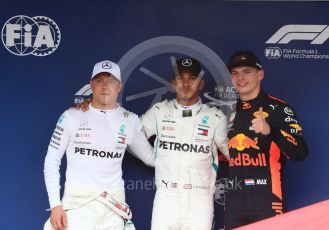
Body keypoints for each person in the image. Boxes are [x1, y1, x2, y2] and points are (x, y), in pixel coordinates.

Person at [43, 60, 155, 230]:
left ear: (119, 86)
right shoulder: (71, 116)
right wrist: (55, 204)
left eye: (111, 81)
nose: (105, 86)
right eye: (99, 80)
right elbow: (51, 160)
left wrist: (192, 160)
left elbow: (150, 157)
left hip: (112, 211)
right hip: (76, 210)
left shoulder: (129, 120)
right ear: (91, 85)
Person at [140, 57, 229, 230]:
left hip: (199, 200)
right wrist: (151, 158)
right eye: (181, 78)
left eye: (192, 79)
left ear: (201, 83)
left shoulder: (216, 118)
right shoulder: (159, 111)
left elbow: (234, 153)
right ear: (173, 83)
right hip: (166, 198)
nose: (186, 84)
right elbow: (129, 136)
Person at [224, 51, 308, 229]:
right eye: (235, 73)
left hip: (267, 200)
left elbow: (300, 152)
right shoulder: (225, 113)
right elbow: (223, 155)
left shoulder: (278, 108)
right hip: (234, 202)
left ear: (260, 74)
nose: (240, 78)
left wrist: (271, 131)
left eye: (247, 71)